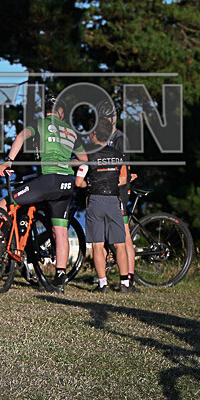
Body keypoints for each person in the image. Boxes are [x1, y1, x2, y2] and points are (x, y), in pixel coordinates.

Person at [0, 93, 88, 292]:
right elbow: (84, 159)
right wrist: (66, 163)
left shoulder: (40, 123)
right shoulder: (71, 131)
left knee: (2, 205)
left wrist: (9, 160)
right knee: (59, 231)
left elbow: (20, 136)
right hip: (66, 183)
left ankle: (13, 249)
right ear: (61, 112)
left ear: (46, 111)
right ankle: (60, 278)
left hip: (48, 180)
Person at [75, 120, 133, 292]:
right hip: (114, 200)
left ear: (94, 135)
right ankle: (124, 283)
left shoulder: (89, 157)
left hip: (95, 201)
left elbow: (79, 182)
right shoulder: (118, 155)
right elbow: (123, 178)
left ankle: (103, 284)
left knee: (97, 245)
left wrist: (90, 185)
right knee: (119, 243)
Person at [98, 102, 139, 289]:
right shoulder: (105, 137)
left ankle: (129, 277)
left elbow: (123, 168)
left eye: (108, 116)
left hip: (119, 191)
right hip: (107, 190)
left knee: (124, 235)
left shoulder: (120, 138)